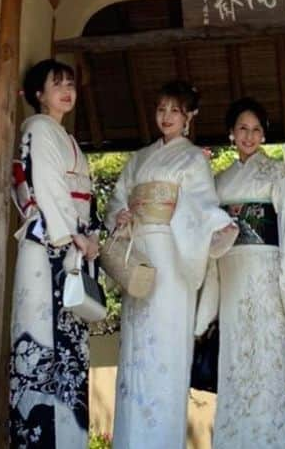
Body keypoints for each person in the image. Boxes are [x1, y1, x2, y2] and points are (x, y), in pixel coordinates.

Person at [106, 81, 236, 449]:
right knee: (135, 352)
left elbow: (200, 206)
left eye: (175, 111)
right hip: (140, 256)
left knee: (166, 350)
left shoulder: (193, 158)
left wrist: (214, 225)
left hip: (172, 256)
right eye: (161, 109)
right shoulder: (138, 159)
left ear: (189, 117)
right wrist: (122, 215)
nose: (166, 117)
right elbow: (117, 199)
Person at [199, 97, 285, 449]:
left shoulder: (275, 172)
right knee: (235, 363)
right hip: (232, 274)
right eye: (242, 128)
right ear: (231, 133)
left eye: (256, 130)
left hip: (268, 275)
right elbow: (203, 228)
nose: (249, 135)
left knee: (268, 365)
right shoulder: (218, 181)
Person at [9, 58, 99, 448]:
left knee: (70, 350)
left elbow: (84, 199)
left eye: (71, 84)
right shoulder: (39, 129)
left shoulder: (67, 138)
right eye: (56, 84)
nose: (67, 90)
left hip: (71, 248)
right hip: (49, 245)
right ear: (38, 94)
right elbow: (46, 186)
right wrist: (76, 236)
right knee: (43, 345)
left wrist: (90, 237)